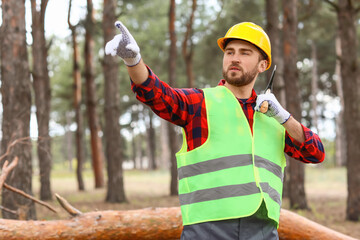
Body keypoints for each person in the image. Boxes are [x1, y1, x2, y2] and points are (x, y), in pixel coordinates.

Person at [105, 21, 325, 240]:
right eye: (230, 52)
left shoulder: (274, 117)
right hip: (207, 229)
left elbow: (315, 153)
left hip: (262, 229)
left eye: (245, 53)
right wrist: (134, 61)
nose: (234, 58)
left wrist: (284, 118)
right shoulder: (200, 103)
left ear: (263, 65)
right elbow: (157, 94)